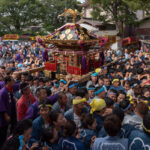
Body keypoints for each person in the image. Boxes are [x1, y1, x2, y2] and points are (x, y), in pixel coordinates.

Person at [0, 76, 17, 148]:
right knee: (3, 132)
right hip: (4, 117)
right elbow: (1, 104)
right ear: (8, 82)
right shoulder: (3, 92)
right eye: (12, 80)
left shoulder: (10, 90)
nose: (14, 82)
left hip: (11, 113)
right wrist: (6, 115)